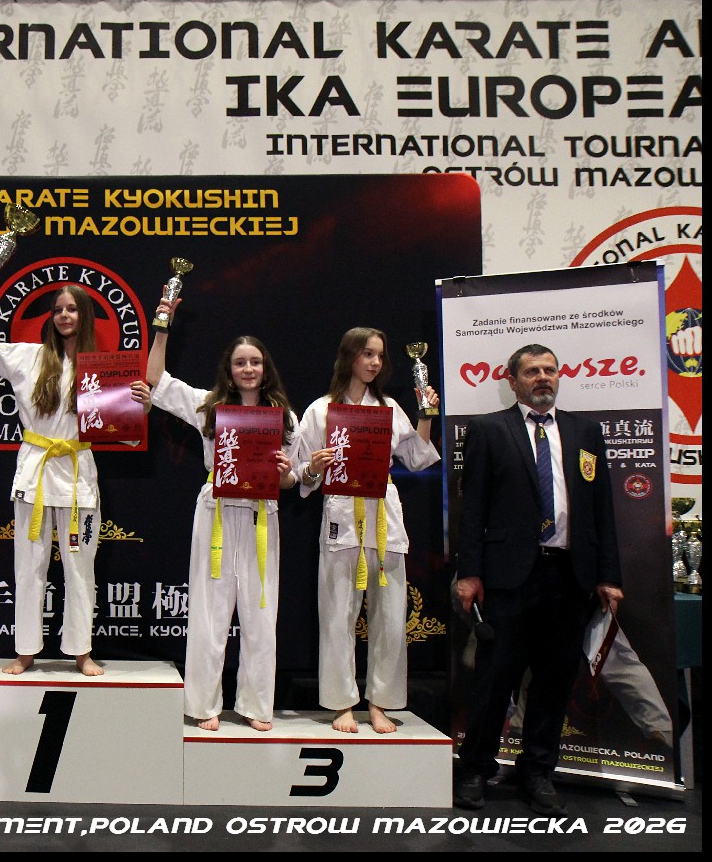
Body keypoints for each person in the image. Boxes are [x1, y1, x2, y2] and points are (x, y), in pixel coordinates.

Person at [454, 343, 623, 814]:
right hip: (508, 577)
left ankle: (538, 773)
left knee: (554, 681)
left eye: (549, 370)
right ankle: (475, 770)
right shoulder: (489, 430)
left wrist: (608, 575)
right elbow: (473, 509)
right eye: (532, 371)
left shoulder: (585, 431)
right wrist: (470, 572)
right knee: (494, 679)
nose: (543, 377)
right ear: (513, 381)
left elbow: (602, 509)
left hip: (570, 575)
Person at [0, 265, 145, 676]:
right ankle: (26, 650)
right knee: (28, 565)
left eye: (72, 309)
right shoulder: (28, 357)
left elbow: (125, 431)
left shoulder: (103, 369)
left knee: (81, 568)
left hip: (78, 473)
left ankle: (81, 651)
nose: (64, 315)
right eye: (58, 309)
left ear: (85, 316)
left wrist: (139, 406)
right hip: (35, 471)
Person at [146, 291, 297, 731]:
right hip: (216, 512)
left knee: (260, 615)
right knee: (210, 612)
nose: (248, 369)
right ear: (229, 370)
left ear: (265, 368)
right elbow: (156, 381)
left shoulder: (284, 417)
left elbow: (292, 481)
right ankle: (204, 705)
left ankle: (256, 706)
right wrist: (162, 326)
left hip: (262, 515)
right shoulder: (209, 405)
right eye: (240, 362)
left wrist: (287, 472)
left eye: (255, 362)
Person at [294, 327, 440, 734]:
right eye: (367, 354)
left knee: (391, 616)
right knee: (337, 613)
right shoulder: (321, 410)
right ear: (349, 357)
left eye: (379, 355)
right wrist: (314, 468)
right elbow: (302, 474)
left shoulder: (389, 407)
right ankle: (341, 702)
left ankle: (380, 702)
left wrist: (426, 416)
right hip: (341, 514)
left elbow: (417, 458)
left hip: (383, 513)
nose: (375, 362)